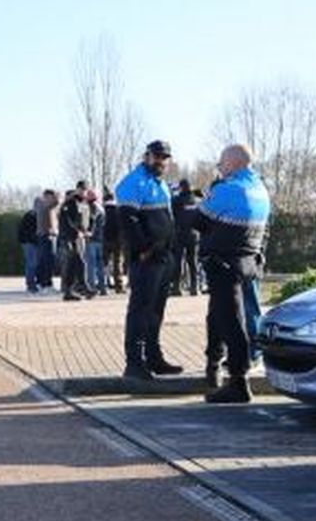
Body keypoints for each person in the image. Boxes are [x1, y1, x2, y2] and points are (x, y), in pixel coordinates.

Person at [197, 144, 271, 402]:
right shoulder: (260, 189)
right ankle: (214, 366)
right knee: (219, 316)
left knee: (231, 321)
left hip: (224, 264)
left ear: (233, 163)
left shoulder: (230, 189)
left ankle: (239, 381)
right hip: (246, 263)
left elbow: (199, 219)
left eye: (221, 163)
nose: (220, 168)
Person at [115, 140, 183, 380]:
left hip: (163, 256)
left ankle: (153, 357)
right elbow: (128, 220)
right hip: (147, 258)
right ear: (147, 156)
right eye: (157, 157)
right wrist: (143, 249)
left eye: (165, 158)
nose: (161, 162)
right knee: (140, 311)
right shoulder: (133, 182)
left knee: (156, 311)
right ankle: (134, 362)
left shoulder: (160, 183)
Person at [59, 183, 94, 301]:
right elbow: (66, 221)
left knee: (77, 262)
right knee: (76, 261)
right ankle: (77, 287)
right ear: (77, 189)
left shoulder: (85, 203)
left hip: (81, 237)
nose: (83, 192)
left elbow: (90, 219)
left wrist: (89, 231)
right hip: (71, 237)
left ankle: (78, 288)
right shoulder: (70, 203)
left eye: (85, 190)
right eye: (81, 189)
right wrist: (75, 232)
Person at [171, 179, 202, 296]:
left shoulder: (176, 200)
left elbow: (172, 214)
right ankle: (194, 287)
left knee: (178, 261)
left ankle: (176, 287)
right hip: (194, 234)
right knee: (193, 261)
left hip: (180, 233)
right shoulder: (196, 200)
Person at [85, 187, 108, 295]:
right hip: (100, 239)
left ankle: (92, 286)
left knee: (91, 265)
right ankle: (103, 287)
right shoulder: (101, 208)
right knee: (100, 265)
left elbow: (92, 222)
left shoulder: (92, 207)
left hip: (92, 240)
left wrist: (89, 232)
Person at [102, 186, 125, 293]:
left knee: (102, 263)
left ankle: (102, 285)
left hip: (104, 239)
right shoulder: (118, 210)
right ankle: (119, 286)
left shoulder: (102, 210)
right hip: (117, 240)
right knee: (117, 264)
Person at [34, 189, 58, 291]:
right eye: (51, 197)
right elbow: (55, 204)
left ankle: (42, 283)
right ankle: (46, 284)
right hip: (46, 235)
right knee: (47, 261)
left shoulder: (42, 205)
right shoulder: (44, 206)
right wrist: (58, 198)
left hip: (46, 235)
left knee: (45, 260)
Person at [17, 206, 40, 293]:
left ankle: (32, 283)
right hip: (28, 242)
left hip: (30, 241)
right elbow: (28, 230)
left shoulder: (32, 214)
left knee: (33, 263)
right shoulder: (31, 215)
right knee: (32, 263)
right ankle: (31, 284)